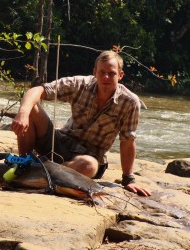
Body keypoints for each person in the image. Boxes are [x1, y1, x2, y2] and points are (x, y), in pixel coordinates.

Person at [10, 50, 151, 196]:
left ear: (120, 75)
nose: (106, 77)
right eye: (102, 72)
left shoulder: (130, 102)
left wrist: (129, 179)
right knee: (31, 107)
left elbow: (127, 140)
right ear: (94, 72)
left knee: (88, 166)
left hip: (89, 158)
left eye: (112, 73)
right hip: (59, 142)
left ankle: (39, 172)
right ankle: (24, 163)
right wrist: (23, 113)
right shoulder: (80, 84)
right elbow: (39, 90)